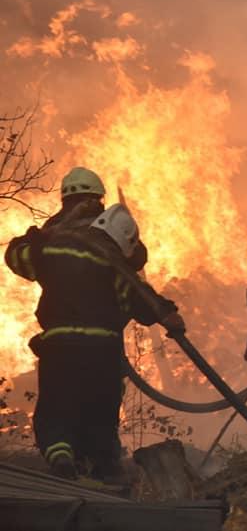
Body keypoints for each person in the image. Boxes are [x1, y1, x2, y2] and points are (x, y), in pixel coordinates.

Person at [5, 204, 184, 482]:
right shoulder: (116, 266)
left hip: (61, 349)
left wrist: (34, 238)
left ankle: (61, 458)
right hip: (103, 354)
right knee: (101, 417)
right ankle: (105, 472)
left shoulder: (54, 251)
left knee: (56, 413)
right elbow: (142, 301)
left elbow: (16, 257)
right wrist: (168, 314)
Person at [38, 166, 149, 271]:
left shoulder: (50, 227)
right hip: (103, 289)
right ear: (94, 198)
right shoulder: (109, 223)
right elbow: (138, 259)